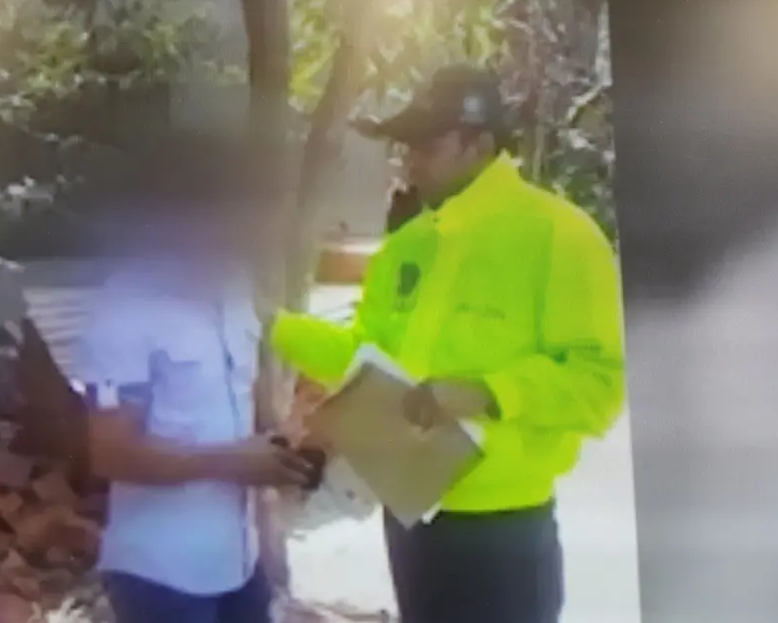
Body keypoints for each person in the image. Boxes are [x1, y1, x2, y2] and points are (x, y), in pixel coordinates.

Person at [268, 65, 627, 623]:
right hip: (410, 514)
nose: (410, 162)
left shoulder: (561, 236)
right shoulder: (407, 247)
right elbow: (366, 357)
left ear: (478, 144)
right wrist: (271, 325)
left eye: (427, 146)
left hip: (502, 532)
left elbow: (599, 384)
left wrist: (486, 392)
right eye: (405, 146)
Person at [66, 178, 317, 623]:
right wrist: (232, 462)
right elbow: (109, 452)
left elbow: (255, 411)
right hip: (161, 576)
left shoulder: (237, 287)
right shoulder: (124, 307)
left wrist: (284, 459)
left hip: (242, 565)